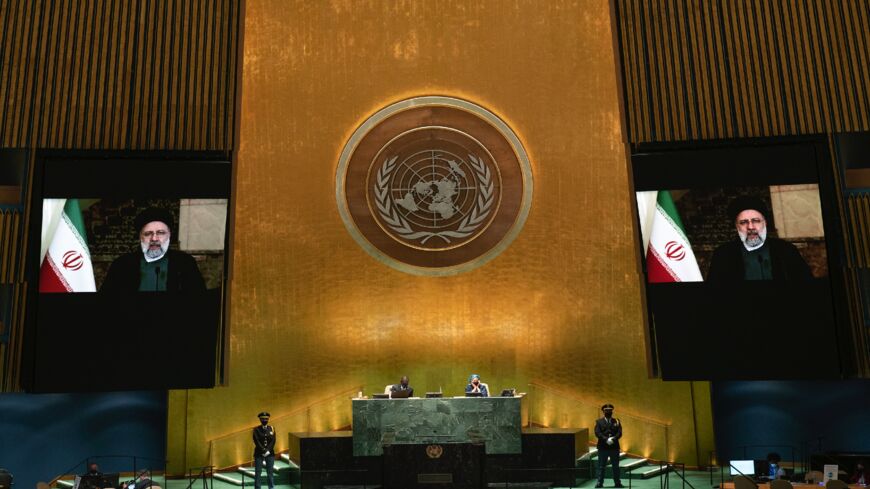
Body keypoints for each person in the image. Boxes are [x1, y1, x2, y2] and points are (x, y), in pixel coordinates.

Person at [707, 196, 812, 282]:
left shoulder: (786, 250)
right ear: (736, 226)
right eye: (743, 222)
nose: (751, 227)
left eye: (756, 221)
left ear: (765, 223)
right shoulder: (723, 255)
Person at [101, 207, 206, 292]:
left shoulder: (185, 263)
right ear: (140, 237)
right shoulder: (121, 265)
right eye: (148, 234)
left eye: (160, 233)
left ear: (169, 235)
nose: (154, 239)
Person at [594, 404, 623, 488]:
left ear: (612, 411)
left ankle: (617, 482)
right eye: (606, 410)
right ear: (603, 411)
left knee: (615, 466)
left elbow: (619, 432)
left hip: (614, 447)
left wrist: (613, 439)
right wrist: (606, 439)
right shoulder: (599, 422)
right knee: (601, 466)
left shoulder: (616, 421)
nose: (608, 412)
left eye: (610, 410)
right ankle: (600, 482)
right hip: (603, 447)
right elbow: (597, 432)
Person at [252, 411, 276, 489]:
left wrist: (268, 450)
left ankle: (271, 487)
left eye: (266, 419)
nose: (264, 420)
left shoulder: (272, 428)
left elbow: (273, 440)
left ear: (268, 419)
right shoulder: (256, 429)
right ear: (260, 419)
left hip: (270, 453)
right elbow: (256, 441)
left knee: (270, 472)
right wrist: (263, 450)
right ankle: (258, 487)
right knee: (258, 472)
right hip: (259, 453)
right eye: (263, 419)